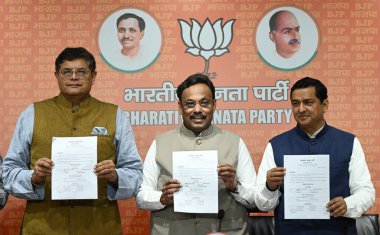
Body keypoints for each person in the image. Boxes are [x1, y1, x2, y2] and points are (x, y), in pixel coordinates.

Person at [2, 47, 143, 234]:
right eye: (66, 71)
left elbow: (136, 174)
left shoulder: (116, 115)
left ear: (93, 76)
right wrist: (33, 177)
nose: (74, 77)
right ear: (56, 76)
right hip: (42, 226)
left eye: (81, 72)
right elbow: (8, 172)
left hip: (100, 226)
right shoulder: (32, 113)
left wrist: (115, 176)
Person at [136, 73, 256, 234]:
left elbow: (255, 199)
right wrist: (162, 199)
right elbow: (141, 196)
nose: (197, 110)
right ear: (180, 107)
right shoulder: (160, 143)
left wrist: (234, 186)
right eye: (190, 104)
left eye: (204, 103)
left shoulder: (235, 142)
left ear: (214, 105)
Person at [255, 77, 375, 234]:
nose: (301, 109)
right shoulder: (276, 145)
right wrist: (270, 187)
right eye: (295, 103)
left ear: (324, 105)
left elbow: (366, 192)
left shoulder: (348, 142)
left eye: (308, 102)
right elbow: (263, 204)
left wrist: (347, 205)